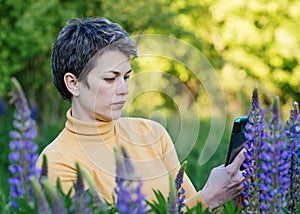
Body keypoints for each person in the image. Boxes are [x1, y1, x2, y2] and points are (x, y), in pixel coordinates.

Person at [37, 17, 246, 211]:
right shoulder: (57, 162)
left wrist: (230, 199)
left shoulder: (152, 132)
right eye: (111, 78)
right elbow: (201, 204)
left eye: (126, 77)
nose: (124, 88)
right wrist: (209, 198)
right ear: (73, 83)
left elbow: (191, 208)